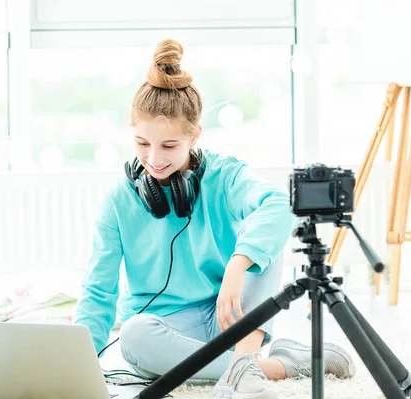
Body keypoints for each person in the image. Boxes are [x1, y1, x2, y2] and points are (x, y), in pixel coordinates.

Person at [74, 38, 355, 399]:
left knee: (262, 245)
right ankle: (273, 366)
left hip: (230, 315)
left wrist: (238, 265)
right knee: (132, 334)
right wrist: (78, 366)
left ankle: (244, 361)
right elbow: (99, 290)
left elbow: (277, 205)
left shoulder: (225, 176)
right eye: (142, 143)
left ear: (195, 136)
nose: (154, 159)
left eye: (169, 146)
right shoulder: (118, 200)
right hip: (161, 331)